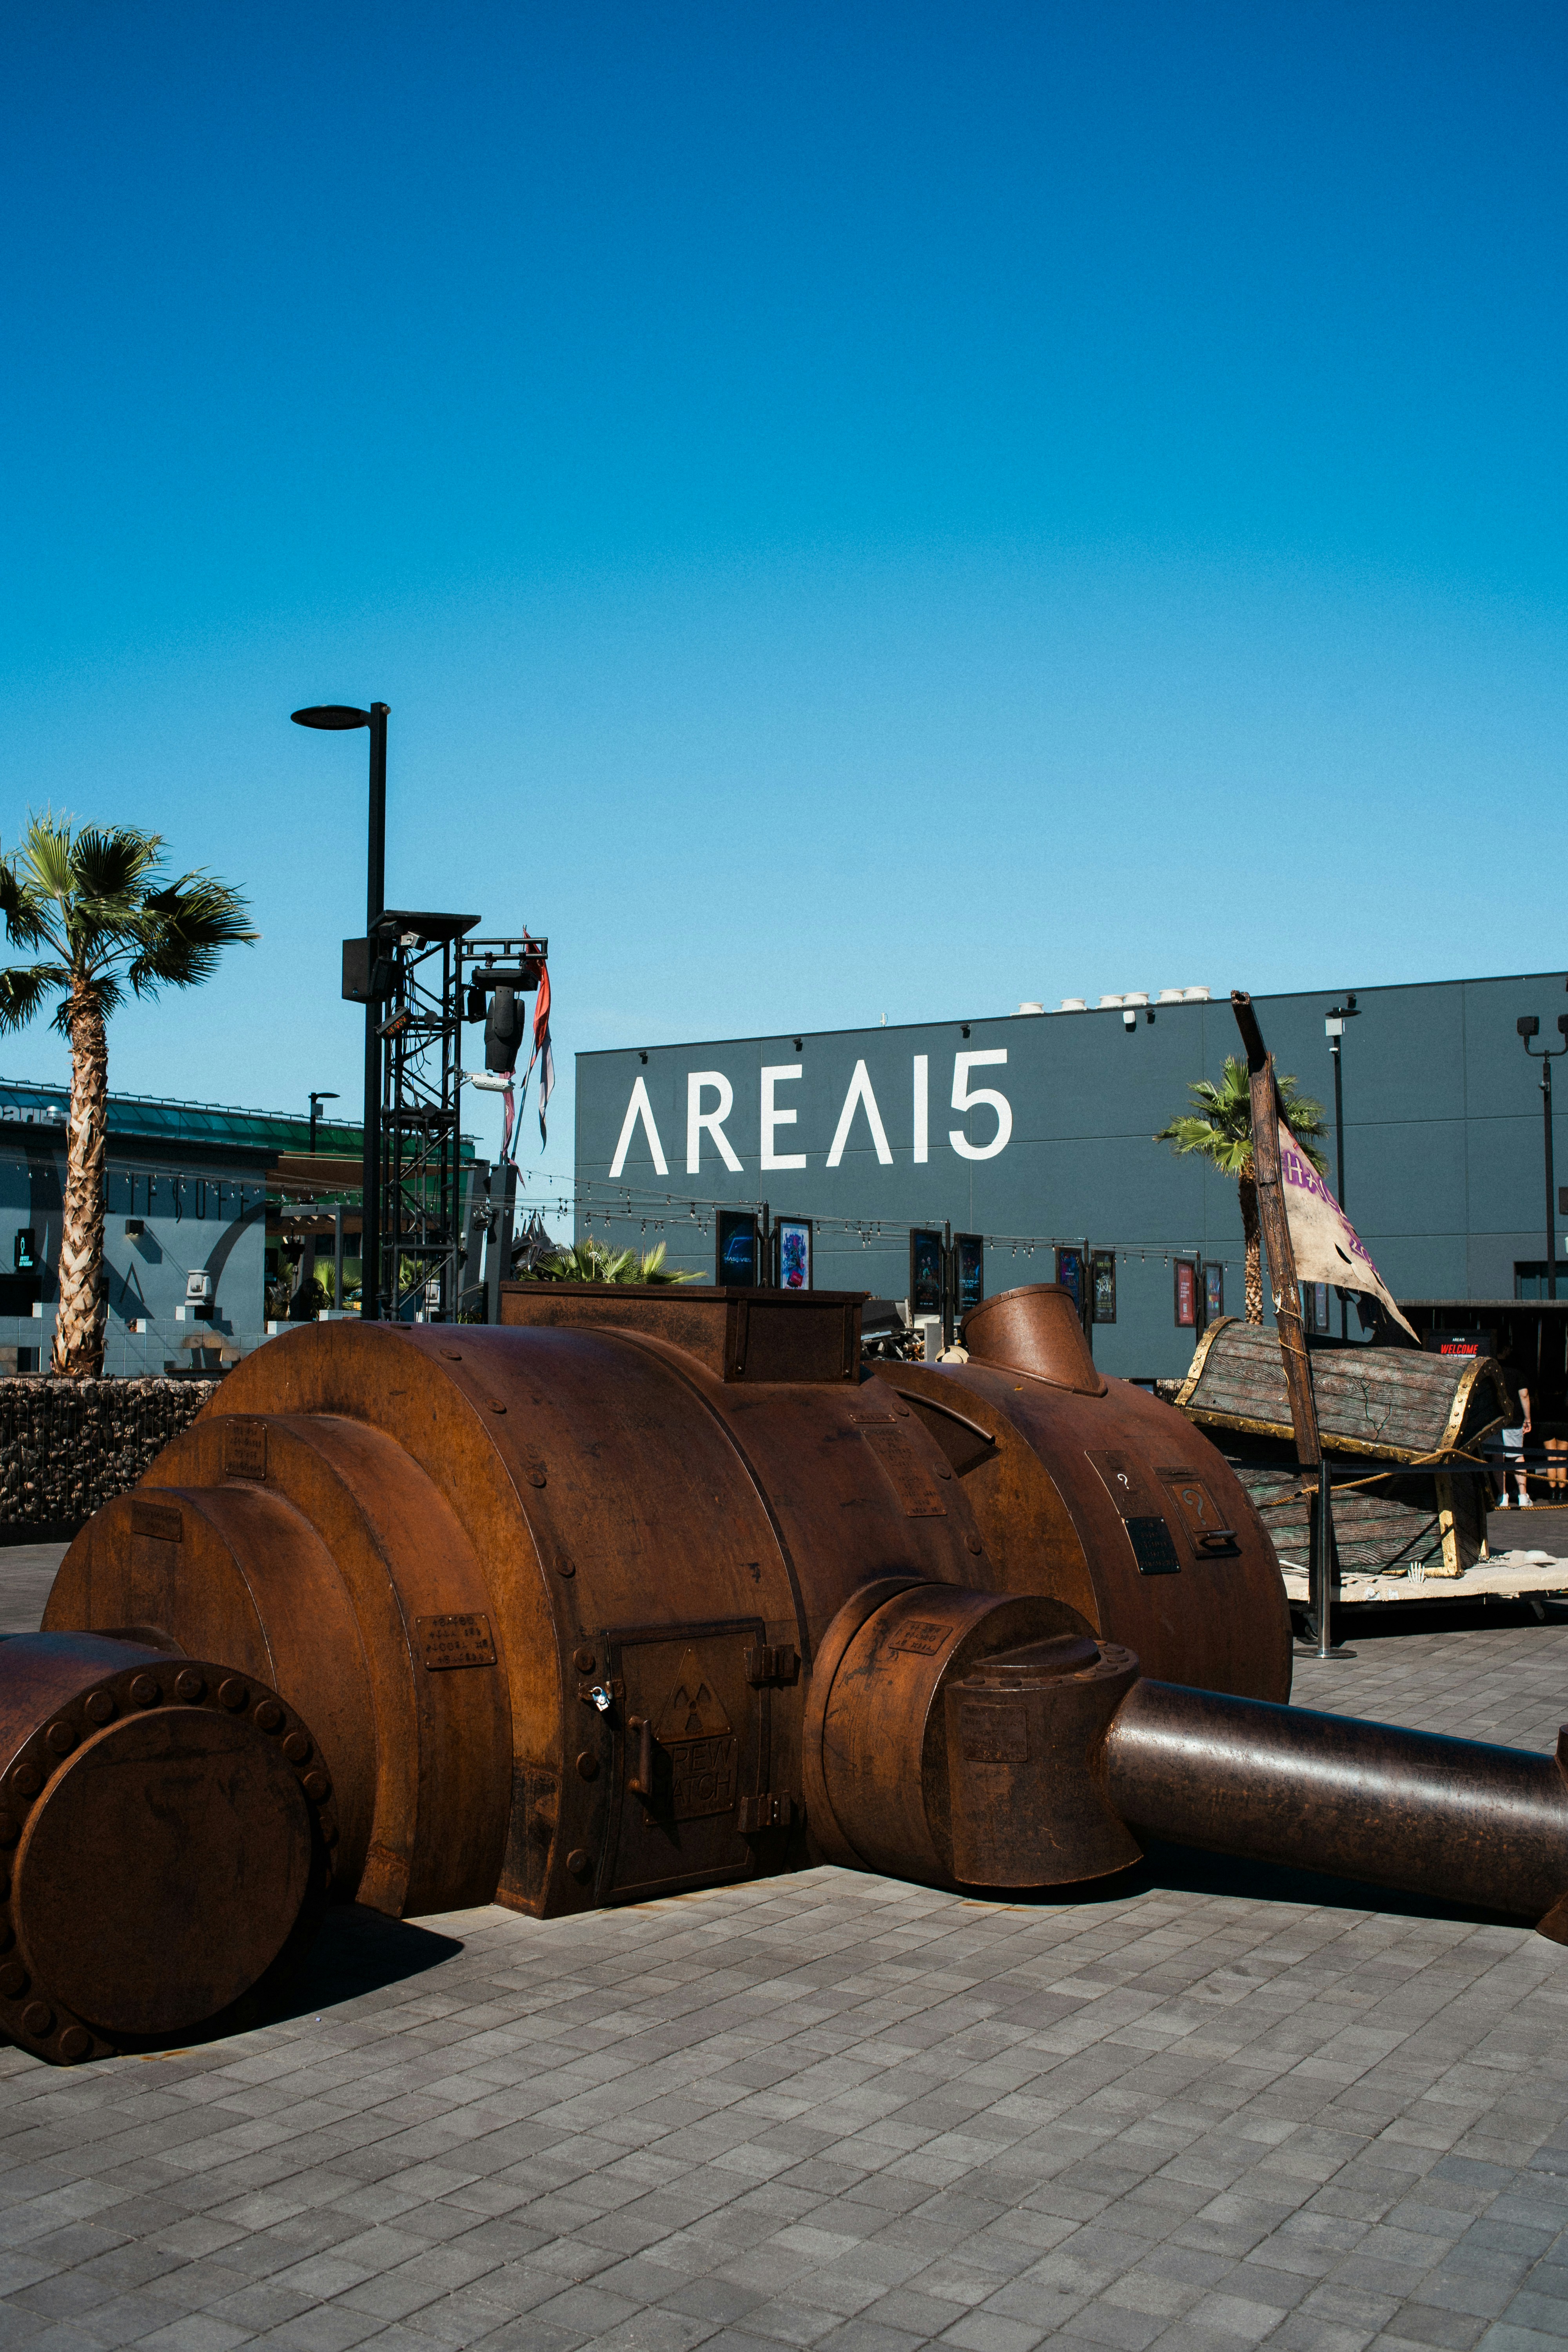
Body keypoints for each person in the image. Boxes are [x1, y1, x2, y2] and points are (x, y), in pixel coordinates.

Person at [1497, 1383, 1533, 1508]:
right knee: (1517, 1456)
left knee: (1497, 1457)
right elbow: (1524, 1395)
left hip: (1493, 1420)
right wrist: (1528, 1418)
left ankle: (1503, 1496)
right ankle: (1523, 1496)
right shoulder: (1517, 1372)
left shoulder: (1488, 1365)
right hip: (1513, 1419)